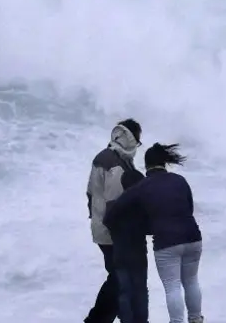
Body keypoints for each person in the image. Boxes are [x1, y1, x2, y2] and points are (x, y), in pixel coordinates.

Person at [108, 143, 204, 323]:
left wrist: (111, 223)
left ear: (146, 166)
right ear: (164, 163)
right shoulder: (180, 180)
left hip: (167, 242)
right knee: (191, 281)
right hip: (193, 237)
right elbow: (189, 208)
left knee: (172, 286)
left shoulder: (143, 186)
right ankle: (196, 319)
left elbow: (117, 209)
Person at [84, 118, 145, 323]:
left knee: (117, 276)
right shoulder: (115, 163)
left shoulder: (106, 157)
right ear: (131, 138)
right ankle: (98, 318)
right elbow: (115, 202)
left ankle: (111, 316)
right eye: (138, 141)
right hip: (113, 231)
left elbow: (90, 193)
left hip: (101, 227)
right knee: (119, 278)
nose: (137, 145)